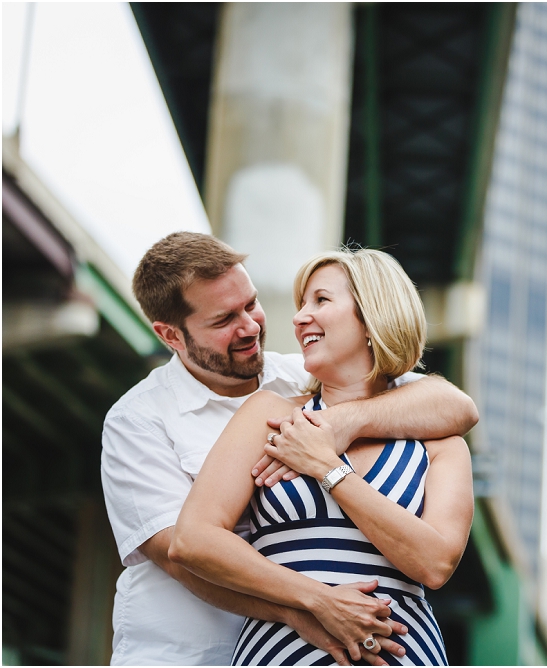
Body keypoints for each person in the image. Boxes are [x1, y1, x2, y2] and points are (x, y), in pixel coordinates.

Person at [101, 233, 478, 666]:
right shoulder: (139, 420)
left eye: (251, 304)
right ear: (171, 335)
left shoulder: (300, 374)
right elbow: (183, 554)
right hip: (197, 652)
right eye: (225, 320)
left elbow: (456, 406)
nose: (252, 326)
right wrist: (311, 606)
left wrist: (333, 436)